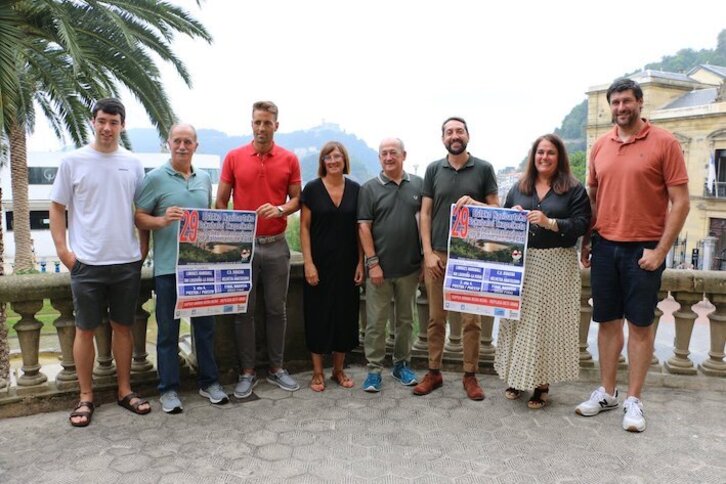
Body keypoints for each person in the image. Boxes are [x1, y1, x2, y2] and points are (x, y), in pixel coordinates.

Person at [577, 78, 690, 432]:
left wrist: (660, 251)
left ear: (640, 103)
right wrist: (587, 240)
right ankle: (607, 392)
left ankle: (634, 400)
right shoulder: (601, 145)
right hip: (605, 245)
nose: (621, 108)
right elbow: (593, 197)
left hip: (644, 248)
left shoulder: (665, 142)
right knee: (608, 322)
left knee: (640, 326)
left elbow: (681, 202)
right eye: (615, 102)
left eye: (627, 101)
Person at [49, 98, 151, 427]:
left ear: (122, 125)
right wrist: (64, 252)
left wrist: (143, 248)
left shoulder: (133, 163)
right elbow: (56, 207)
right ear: (93, 122)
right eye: (102, 121)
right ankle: (85, 397)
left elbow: (141, 209)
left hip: (125, 262)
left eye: (114, 122)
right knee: (84, 329)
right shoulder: (73, 161)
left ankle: (124, 390)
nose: (107, 128)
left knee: (123, 327)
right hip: (87, 263)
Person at [135, 124, 229, 413]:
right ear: (169, 143)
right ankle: (168, 389)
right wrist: (162, 220)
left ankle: (209, 382)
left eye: (188, 141)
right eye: (177, 141)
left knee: (205, 329)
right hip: (167, 269)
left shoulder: (204, 179)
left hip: (200, 268)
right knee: (167, 332)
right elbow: (139, 217)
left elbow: (208, 217)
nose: (182, 146)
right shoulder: (154, 178)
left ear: (195, 146)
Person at [495, 134, 591, 409]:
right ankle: (516, 377)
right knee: (517, 321)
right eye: (540, 152)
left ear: (559, 157)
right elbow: (503, 225)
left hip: (556, 264)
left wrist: (550, 222)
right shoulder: (519, 187)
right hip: (522, 263)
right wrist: (512, 214)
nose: (544, 157)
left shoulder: (573, 189)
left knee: (546, 324)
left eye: (550, 153)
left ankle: (541, 384)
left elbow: (582, 224)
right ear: (533, 156)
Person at [216, 101, 302, 398]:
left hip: (277, 244)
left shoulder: (289, 159)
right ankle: (247, 372)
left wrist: (280, 210)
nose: (261, 128)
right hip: (244, 248)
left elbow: (297, 199)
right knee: (244, 311)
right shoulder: (234, 157)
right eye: (257, 122)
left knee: (277, 310)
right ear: (251, 124)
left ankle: (277, 368)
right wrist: (231, 236)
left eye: (267, 122)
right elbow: (221, 201)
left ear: (276, 125)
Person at [415, 116, 499, 400]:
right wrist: (427, 253)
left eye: (459, 131)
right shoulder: (433, 169)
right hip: (438, 254)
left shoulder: (484, 168)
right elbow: (425, 213)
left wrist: (475, 203)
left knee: (471, 321)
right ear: (443, 138)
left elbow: (496, 209)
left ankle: (470, 375)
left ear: (467, 135)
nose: (455, 136)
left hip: (471, 256)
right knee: (435, 318)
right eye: (449, 132)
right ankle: (434, 372)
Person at [358, 138, 423, 392]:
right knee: (376, 323)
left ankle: (401, 365)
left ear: (403, 155)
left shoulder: (418, 185)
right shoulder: (369, 188)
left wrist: (423, 259)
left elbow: (425, 222)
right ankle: (374, 370)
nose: (388, 157)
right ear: (379, 158)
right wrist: (373, 263)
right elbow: (364, 227)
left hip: (409, 268)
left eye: (393, 153)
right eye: (384, 153)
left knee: (405, 321)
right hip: (379, 270)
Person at [300, 141, 363, 391]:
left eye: (337, 156)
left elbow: (360, 229)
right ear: (323, 162)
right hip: (319, 264)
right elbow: (304, 228)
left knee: (344, 316)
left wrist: (361, 262)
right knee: (317, 315)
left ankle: (338, 370)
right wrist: (308, 263)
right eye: (328, 157)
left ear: (344, 160)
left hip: (347, 264)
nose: (334, 161)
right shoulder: (312, 189)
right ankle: (317, 372)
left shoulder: (356, 189)